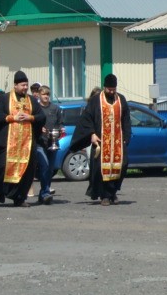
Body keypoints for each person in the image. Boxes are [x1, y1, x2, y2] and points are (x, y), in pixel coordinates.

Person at [0, 71, 45, 206]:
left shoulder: (32, 100)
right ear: (15, 85)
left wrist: (31, 117)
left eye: (26, 85)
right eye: (22, 85)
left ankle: (19, 198)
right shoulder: (5, 99)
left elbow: (41, 116)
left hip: (27, 143)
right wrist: (11, 117)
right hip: (7, 142)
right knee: (0, 167)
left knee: (27, 171)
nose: (25, 88)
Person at [69, 74, 131, 206]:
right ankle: (105, 196)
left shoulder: (121, 99)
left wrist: (126, 137)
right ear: (104, 87)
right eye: (109, 89)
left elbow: (126, 119)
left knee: (122, 166)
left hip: (118, 142)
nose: (111, 92)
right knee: (100, 169)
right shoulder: (96, 100)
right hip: (100, 141)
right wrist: (91, 134)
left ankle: (112, 192)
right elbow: (86, 119)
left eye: (113, 89)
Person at [35, 85, 64, 204]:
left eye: (47, 94)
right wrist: (38, 128)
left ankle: (43, 193)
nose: (46, 96)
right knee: (45, 166)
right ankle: (46, 192)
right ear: (39, 95)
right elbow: (33, 122)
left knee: (50, 169)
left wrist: (61, 129)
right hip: (40, 142)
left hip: (53, 142)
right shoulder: (36, 108)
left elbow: (60, 123)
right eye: (43, 94)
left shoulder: (55, 108)